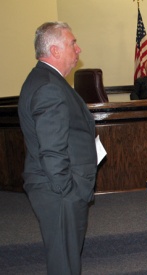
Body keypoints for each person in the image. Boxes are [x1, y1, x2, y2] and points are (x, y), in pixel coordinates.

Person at [18, 22, 97, 275]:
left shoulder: (46, 79)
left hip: (58, 190)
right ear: (55, 50)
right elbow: (52, 150)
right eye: (72, 43)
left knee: (67, 260)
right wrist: (68, 192)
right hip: (59, 192)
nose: (78, 48)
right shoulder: (49, 86)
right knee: (64, 265)